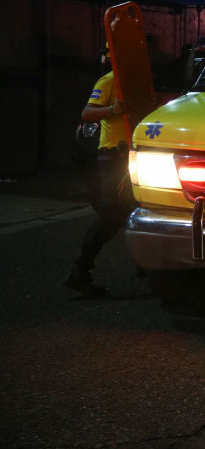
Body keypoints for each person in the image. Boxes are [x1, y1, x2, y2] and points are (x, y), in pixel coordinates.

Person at [64, 45, 131, 297]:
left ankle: (151, 267)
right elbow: (87, 113)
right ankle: (79, 272)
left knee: (131, 211)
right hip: (114, 157)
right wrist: (114, 110)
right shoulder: (109, 81)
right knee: (110, 215)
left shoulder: (134, 82)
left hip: (131, 157)